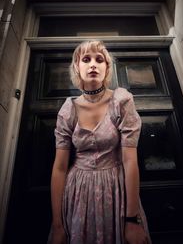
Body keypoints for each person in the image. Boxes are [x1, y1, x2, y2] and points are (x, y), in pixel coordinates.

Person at [49, 40, 151, 244]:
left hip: (116, 191)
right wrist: (58, 224)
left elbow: (130, 161)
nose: (93, 64)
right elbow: (60, 168)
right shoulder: (68, 110)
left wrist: (132, 219)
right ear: (77, 67)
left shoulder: (121, 101)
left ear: (107, 67)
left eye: (99, 59)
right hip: (77, 194)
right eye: (86, 59)